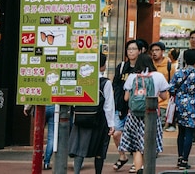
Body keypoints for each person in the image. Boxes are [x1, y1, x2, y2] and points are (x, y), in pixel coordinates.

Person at [119, 53, 170, 174]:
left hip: (134, 115)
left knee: (137, 146)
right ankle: (148, 169)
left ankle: (138, 169)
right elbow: (164, 96)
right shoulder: (158, 76)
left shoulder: (132, 76)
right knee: (149, 144)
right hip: (152, 115)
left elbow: (126, 98)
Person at [69, 54, 116, 174]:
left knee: (79, 148)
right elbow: (109, 105)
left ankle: (76, 172)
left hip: (80, 118)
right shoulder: (105, 82)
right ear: (102, 66)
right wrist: (111, 124)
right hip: (99, 120)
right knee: (100, 149)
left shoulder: (80, 80)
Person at [169, 49, 195, 169]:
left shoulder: (178, 73)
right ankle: (185, 160)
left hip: (179, 105)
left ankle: (180, 157)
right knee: (189, 132)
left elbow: (171, 88)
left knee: (181, 132)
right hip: (192, 107)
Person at [111, 40, 140, 171]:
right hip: (120, 106)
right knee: (116, 133)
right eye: (129, 49)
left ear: (140, 51)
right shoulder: (122, 67)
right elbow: (115, 85)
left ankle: (136, 162)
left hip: (135, 108)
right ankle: (122, 156)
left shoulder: (141, 68)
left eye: (134, 49)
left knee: (134, 135)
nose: (131, 51)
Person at [149, 42, 175, 131]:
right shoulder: (149, 65)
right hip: (150, 101)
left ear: (163, 51)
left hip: (164, 102)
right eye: (152, 51)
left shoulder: (169, 66)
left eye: (157, 50)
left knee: (159, 128)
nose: (154, 53)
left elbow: (172, 84)